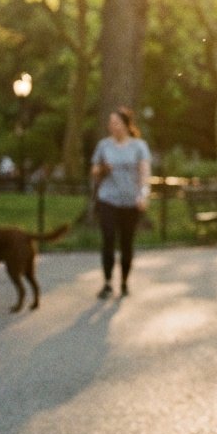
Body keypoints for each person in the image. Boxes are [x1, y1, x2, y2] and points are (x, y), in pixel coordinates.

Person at [89, 108, 151, 299]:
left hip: (130, 201)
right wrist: (102, 169)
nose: (112, 126)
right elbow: (93, 170)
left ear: (126, 125)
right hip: (108, 199)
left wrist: (143, 194)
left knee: (126, 243)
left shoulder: (139, 146)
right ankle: (107, 283)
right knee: (108, 238)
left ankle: (124, 282)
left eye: (115, 122)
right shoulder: (104, 145)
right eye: (110, 122)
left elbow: (144, 174)